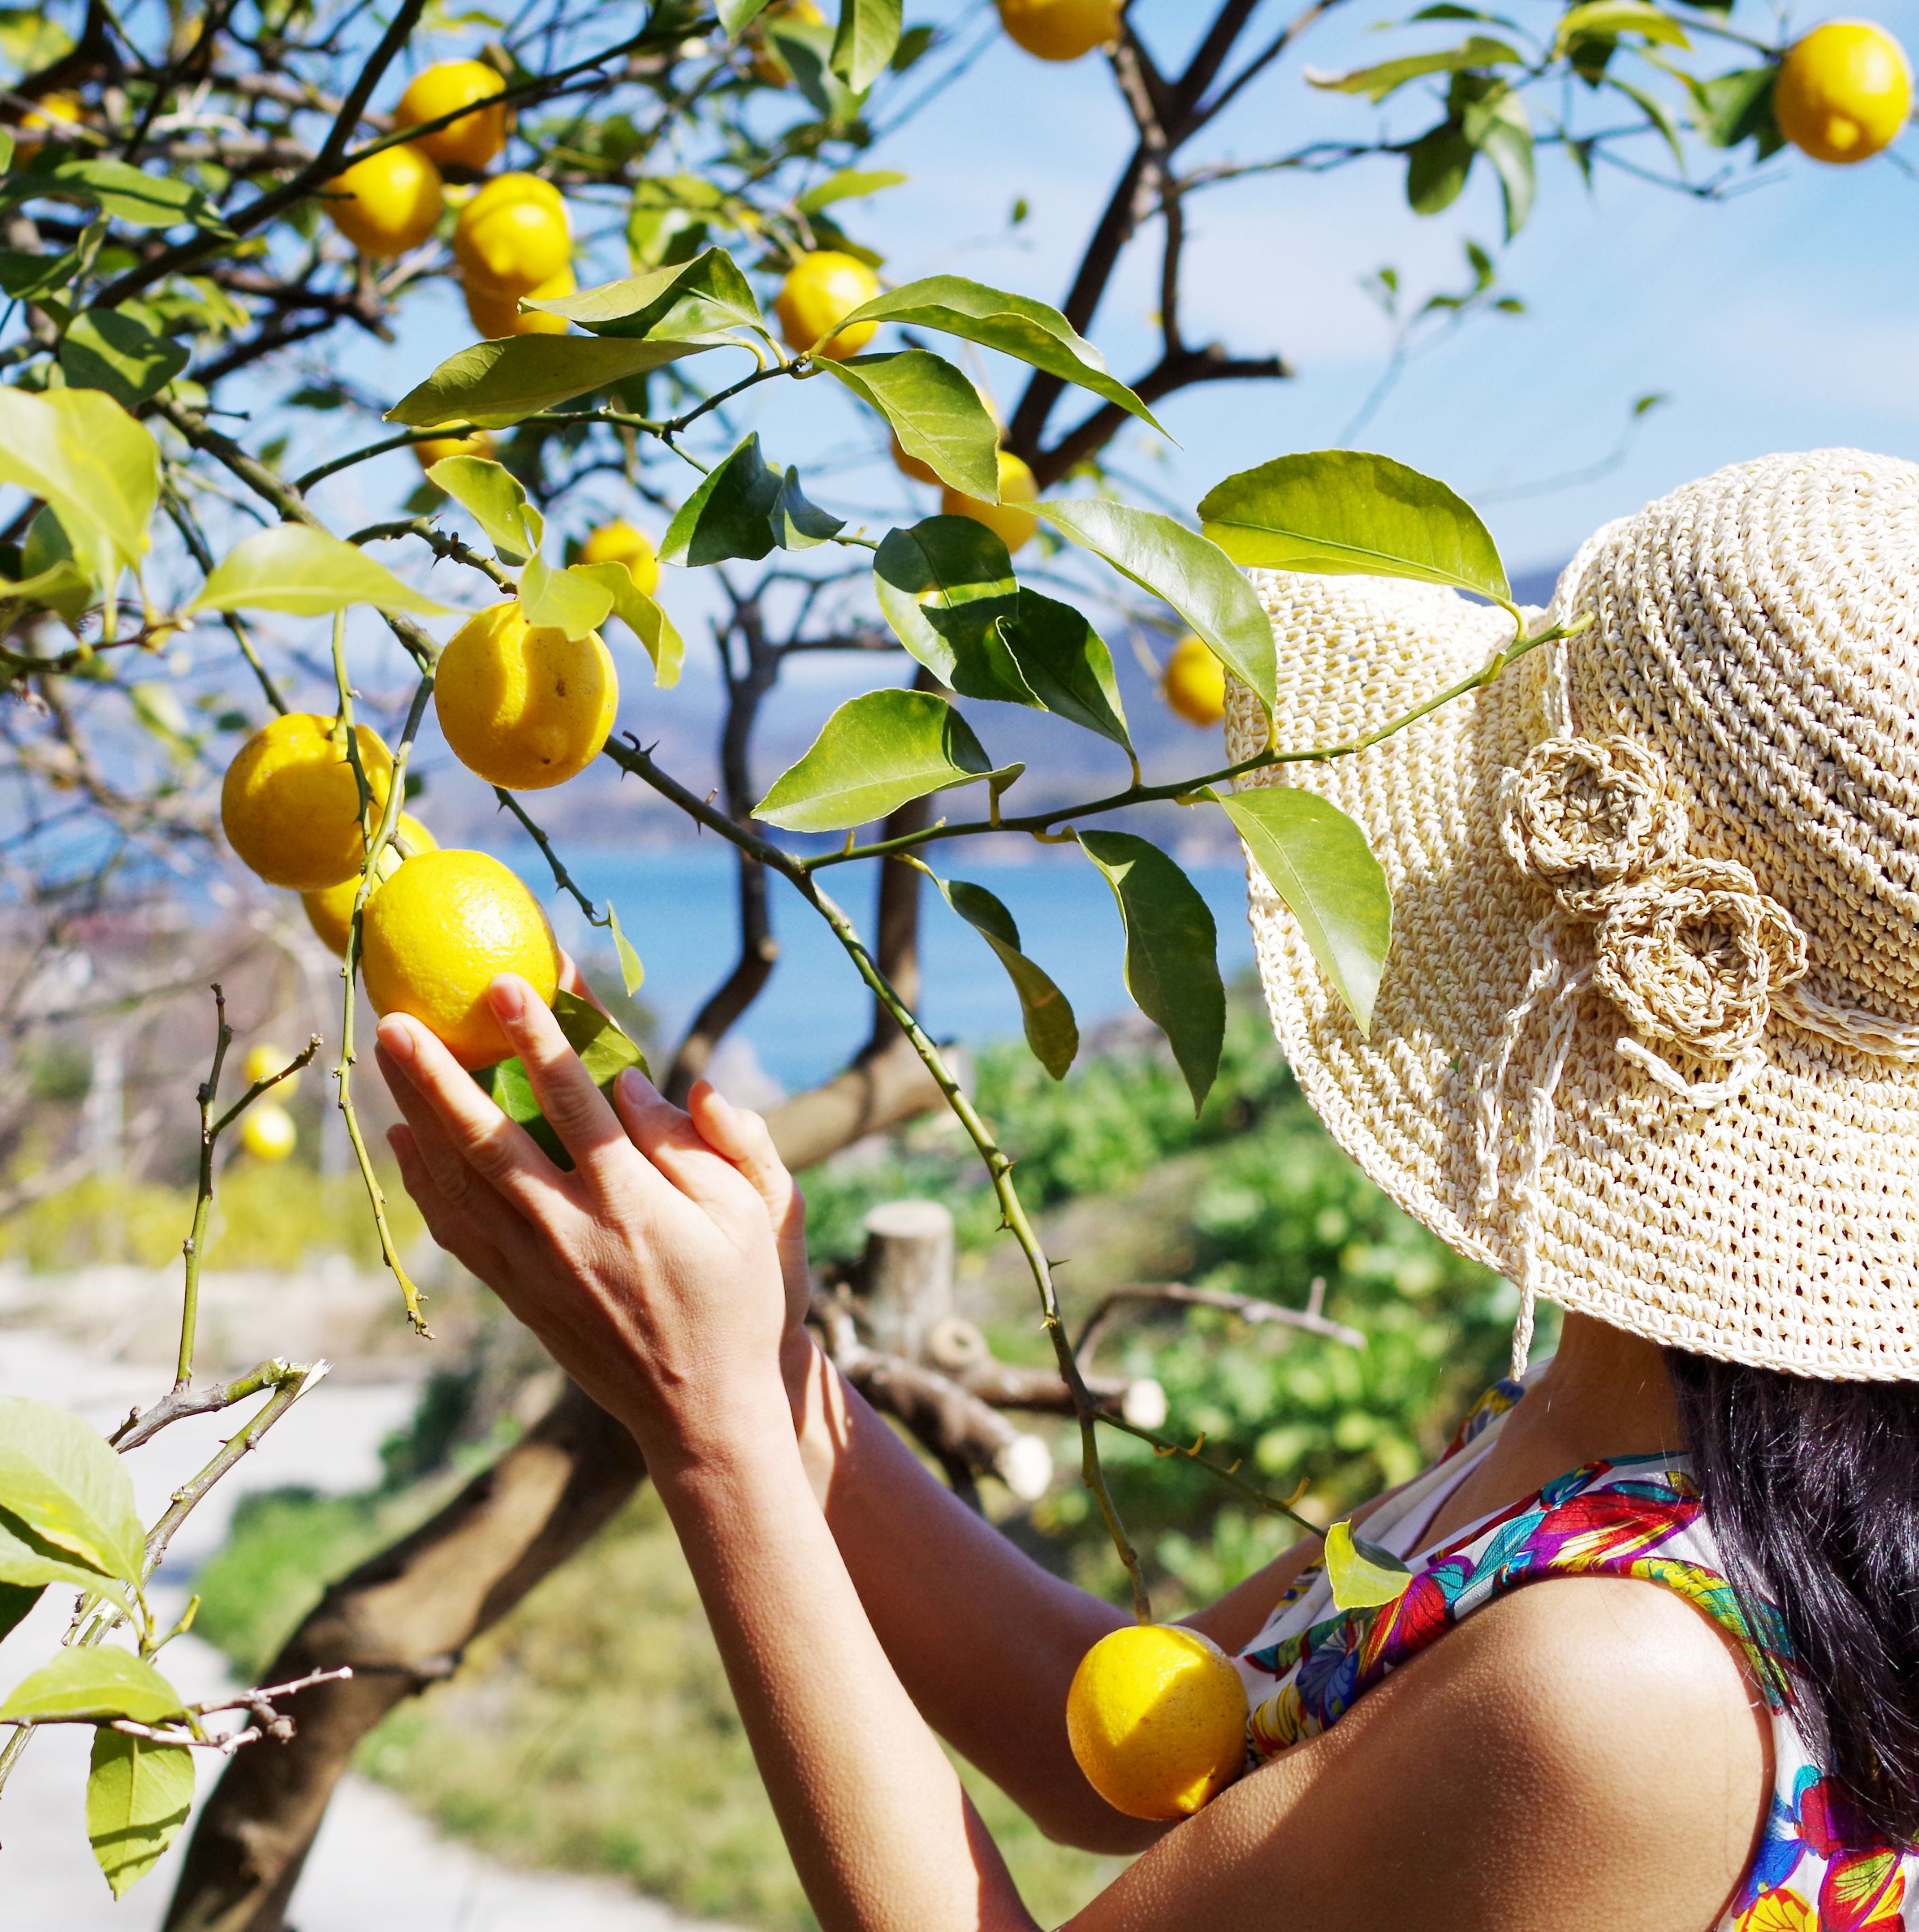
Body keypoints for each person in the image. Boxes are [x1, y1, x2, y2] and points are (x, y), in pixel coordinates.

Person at [373, 449, 1919, 1932]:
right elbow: (1108, 1738)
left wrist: (705, 1432)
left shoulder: (1621, 1687)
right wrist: (767, 1362)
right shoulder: (1604, 1434)